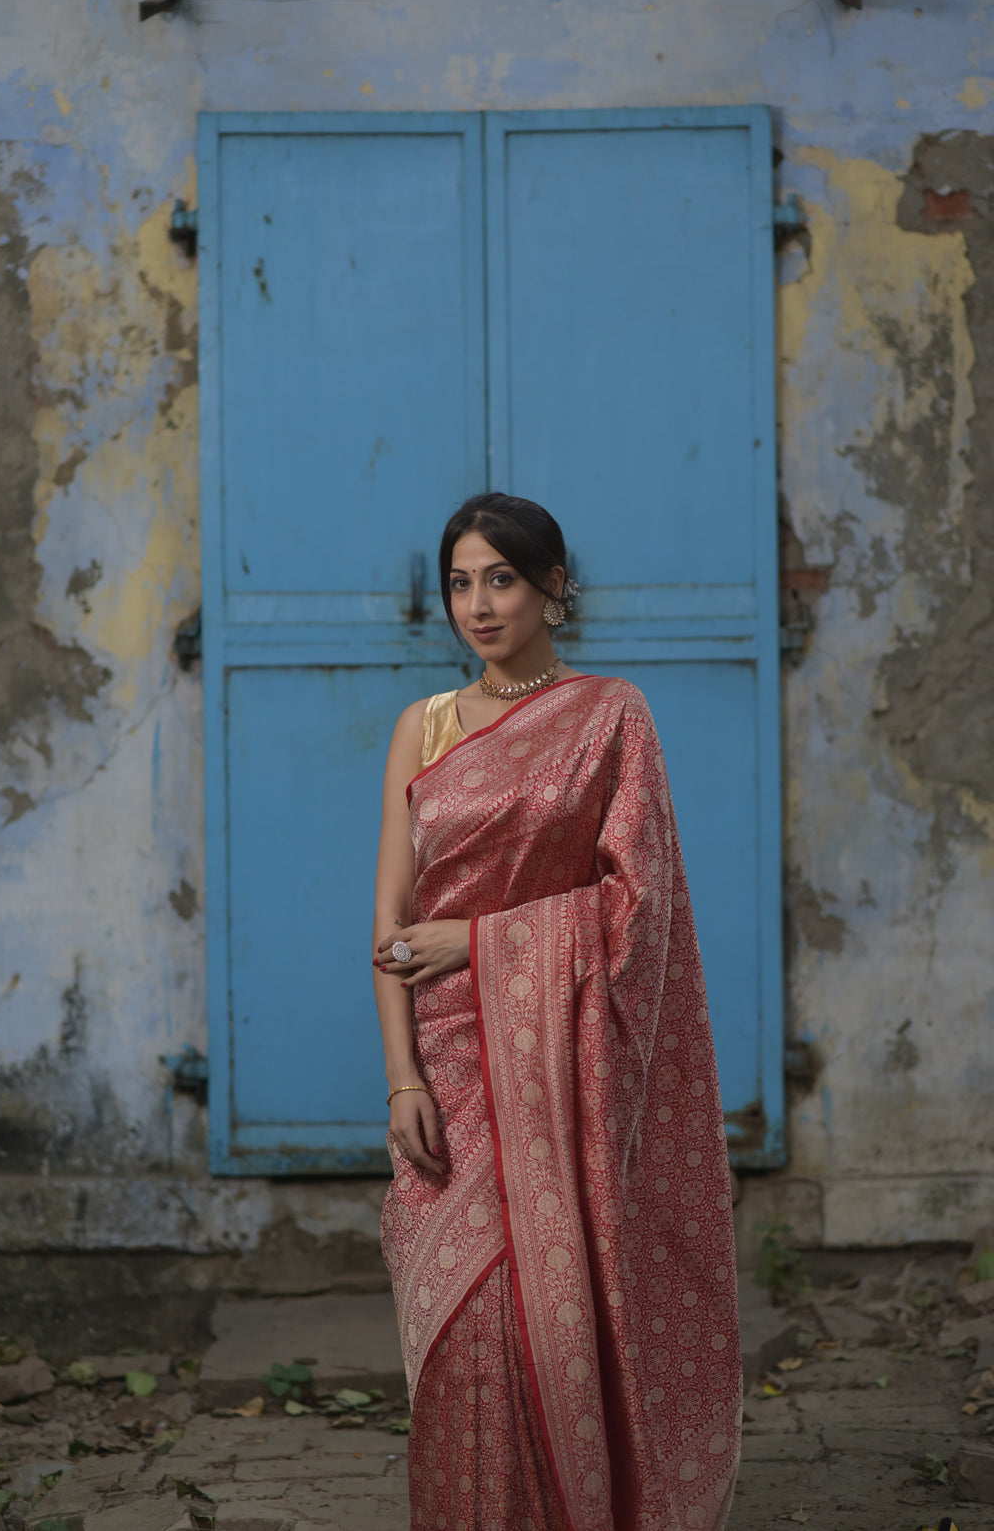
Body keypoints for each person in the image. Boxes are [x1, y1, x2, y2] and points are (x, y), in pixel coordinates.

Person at [372, 492, 741, 1531]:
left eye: (501, 579)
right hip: (446, 1063)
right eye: (460, 582)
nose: (478, 605)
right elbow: (390, 929)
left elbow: (641, 904)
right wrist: (402, 1076)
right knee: (462, 1324)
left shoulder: (611, 715)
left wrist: (483, 940)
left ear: (552, 588)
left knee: (551, 1325)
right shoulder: (424, 727)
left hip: (557, 1074)